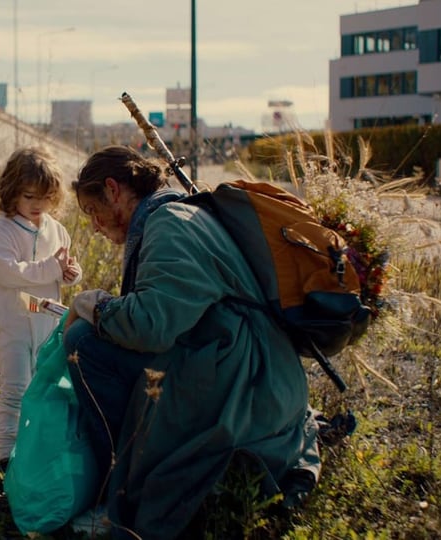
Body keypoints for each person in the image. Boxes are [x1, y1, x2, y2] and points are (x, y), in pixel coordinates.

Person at [62, 145, 321, 538]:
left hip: (243, 382)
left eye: (91, 211)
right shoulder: (179, 210)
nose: (95, 225)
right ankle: (124, 472)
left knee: (85, 344)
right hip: (247, 366)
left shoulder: (168, 225)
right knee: (99, 338)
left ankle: (118, 494)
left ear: (113, 189)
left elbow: (152, 326)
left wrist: (94, 306)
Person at [0, 146, 82, 467]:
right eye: (29, 197)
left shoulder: (56, 229)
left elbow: (62, 269)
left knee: (46, 385)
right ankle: (5, 455)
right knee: (15, 387)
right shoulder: (3, 231)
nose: (38, 205)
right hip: (14, 323)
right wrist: (52, 269)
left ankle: (37, 450)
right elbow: (10, 273)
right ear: (12, 192)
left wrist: (70, 273)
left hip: (47, 324)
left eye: (46, 197)